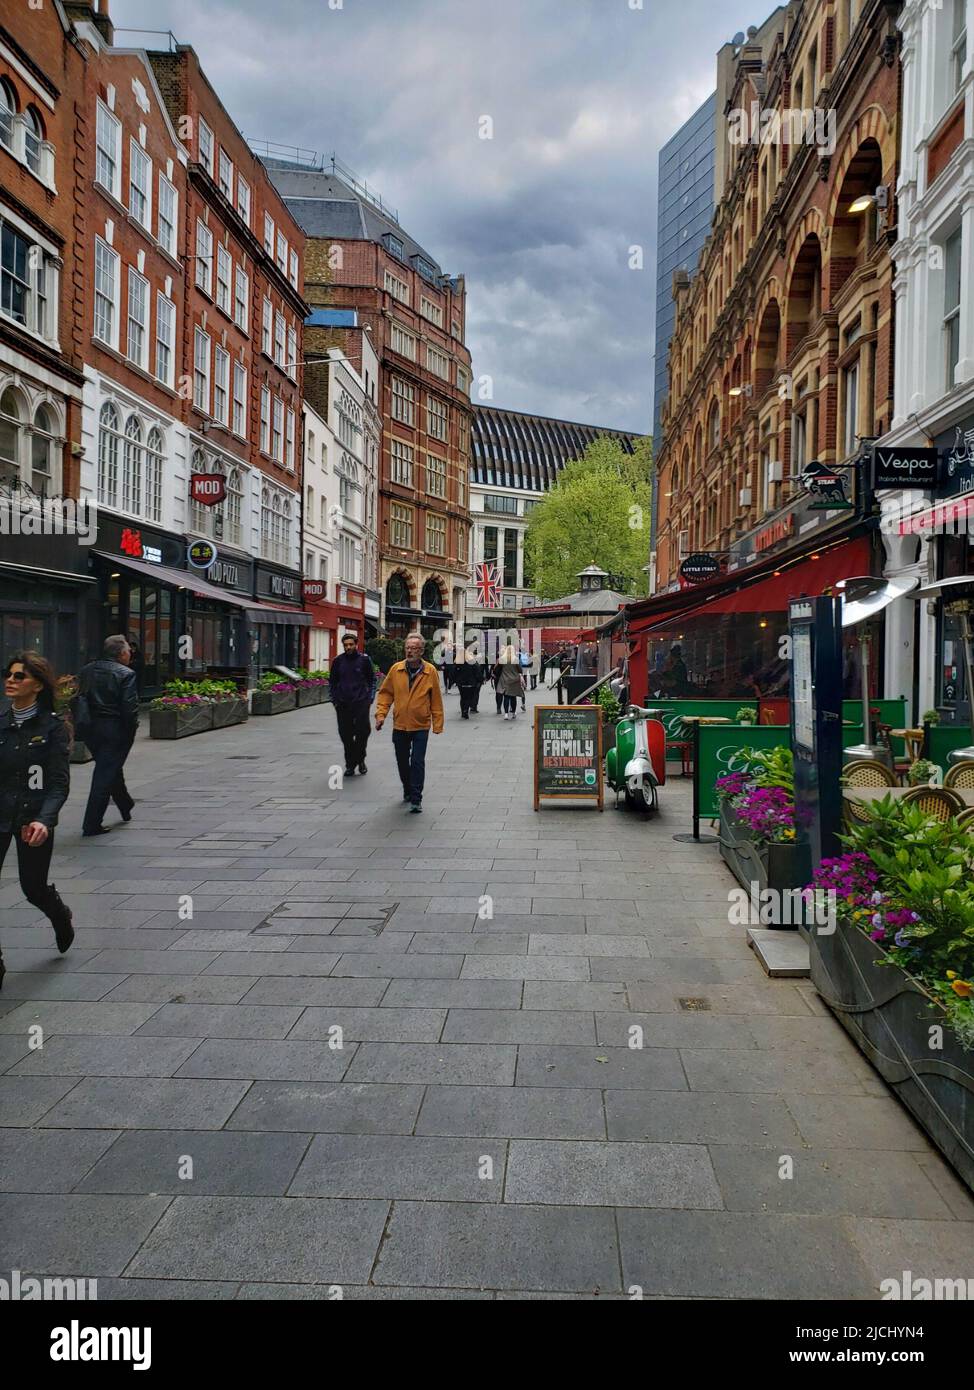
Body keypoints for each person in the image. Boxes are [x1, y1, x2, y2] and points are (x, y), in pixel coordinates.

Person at [0, 652, 74, 989]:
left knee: (32, 887)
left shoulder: (52, 728)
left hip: (32, 820)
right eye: (9, 675)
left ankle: (60, 914)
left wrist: (45, 820)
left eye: (19, 676)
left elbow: (58, 783)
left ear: (39, 686)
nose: (11, 681)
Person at [374, 632, 444, 813]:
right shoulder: (396, 669)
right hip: (400, 724)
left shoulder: (430, 671)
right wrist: (381, 715)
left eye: (414, 648)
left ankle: (416, 798)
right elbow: (386, 693)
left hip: (421, 724)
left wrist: (438, 723)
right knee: (402, 761)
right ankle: (407, 786)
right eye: (407, 648)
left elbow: (436, 699)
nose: (410, 651)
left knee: (417, 761)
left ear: (421, 651)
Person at [78, 634, 138, 837]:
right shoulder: (125, 674)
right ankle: (91, 823)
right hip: (114, 729)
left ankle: (125, 804)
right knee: (104, 774)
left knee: (109, 767)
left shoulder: (87, 670)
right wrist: (130, 731)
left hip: (90, 728)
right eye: (129, 651)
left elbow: (80, 698)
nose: (130, 654)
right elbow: (129, 708)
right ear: (121, 654)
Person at [328, 632, 375, 777]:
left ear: (356, 645)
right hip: (342, 704)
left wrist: (370, 698)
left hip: (361, 702)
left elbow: (372, 680)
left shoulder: (365, 660)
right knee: (346, 736)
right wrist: (334, 700)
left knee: (363, 733)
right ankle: (350, 765)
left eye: (351, 644)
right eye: (345, 645)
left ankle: (360, 760)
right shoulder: (338, 661)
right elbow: (332, 682)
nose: (348, 647)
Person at [496, 646, 526, 720]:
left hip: (505, 679)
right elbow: (520, 670)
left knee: (506, 697)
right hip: (514, 680)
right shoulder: (515, 659)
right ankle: (513, 713)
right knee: (513, 697)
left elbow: (497, 670)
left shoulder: (502, 659)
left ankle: (506, 714)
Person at [454, 648, 484, 719]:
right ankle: (465, 711)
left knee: (463, 697)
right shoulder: (472, 662)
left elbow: (454, 673)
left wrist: (455, 680)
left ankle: (463, 711)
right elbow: (477, 672)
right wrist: (480, 680)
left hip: (461, 683)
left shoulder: (457, 663)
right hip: (470, 682)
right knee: (468, 697)